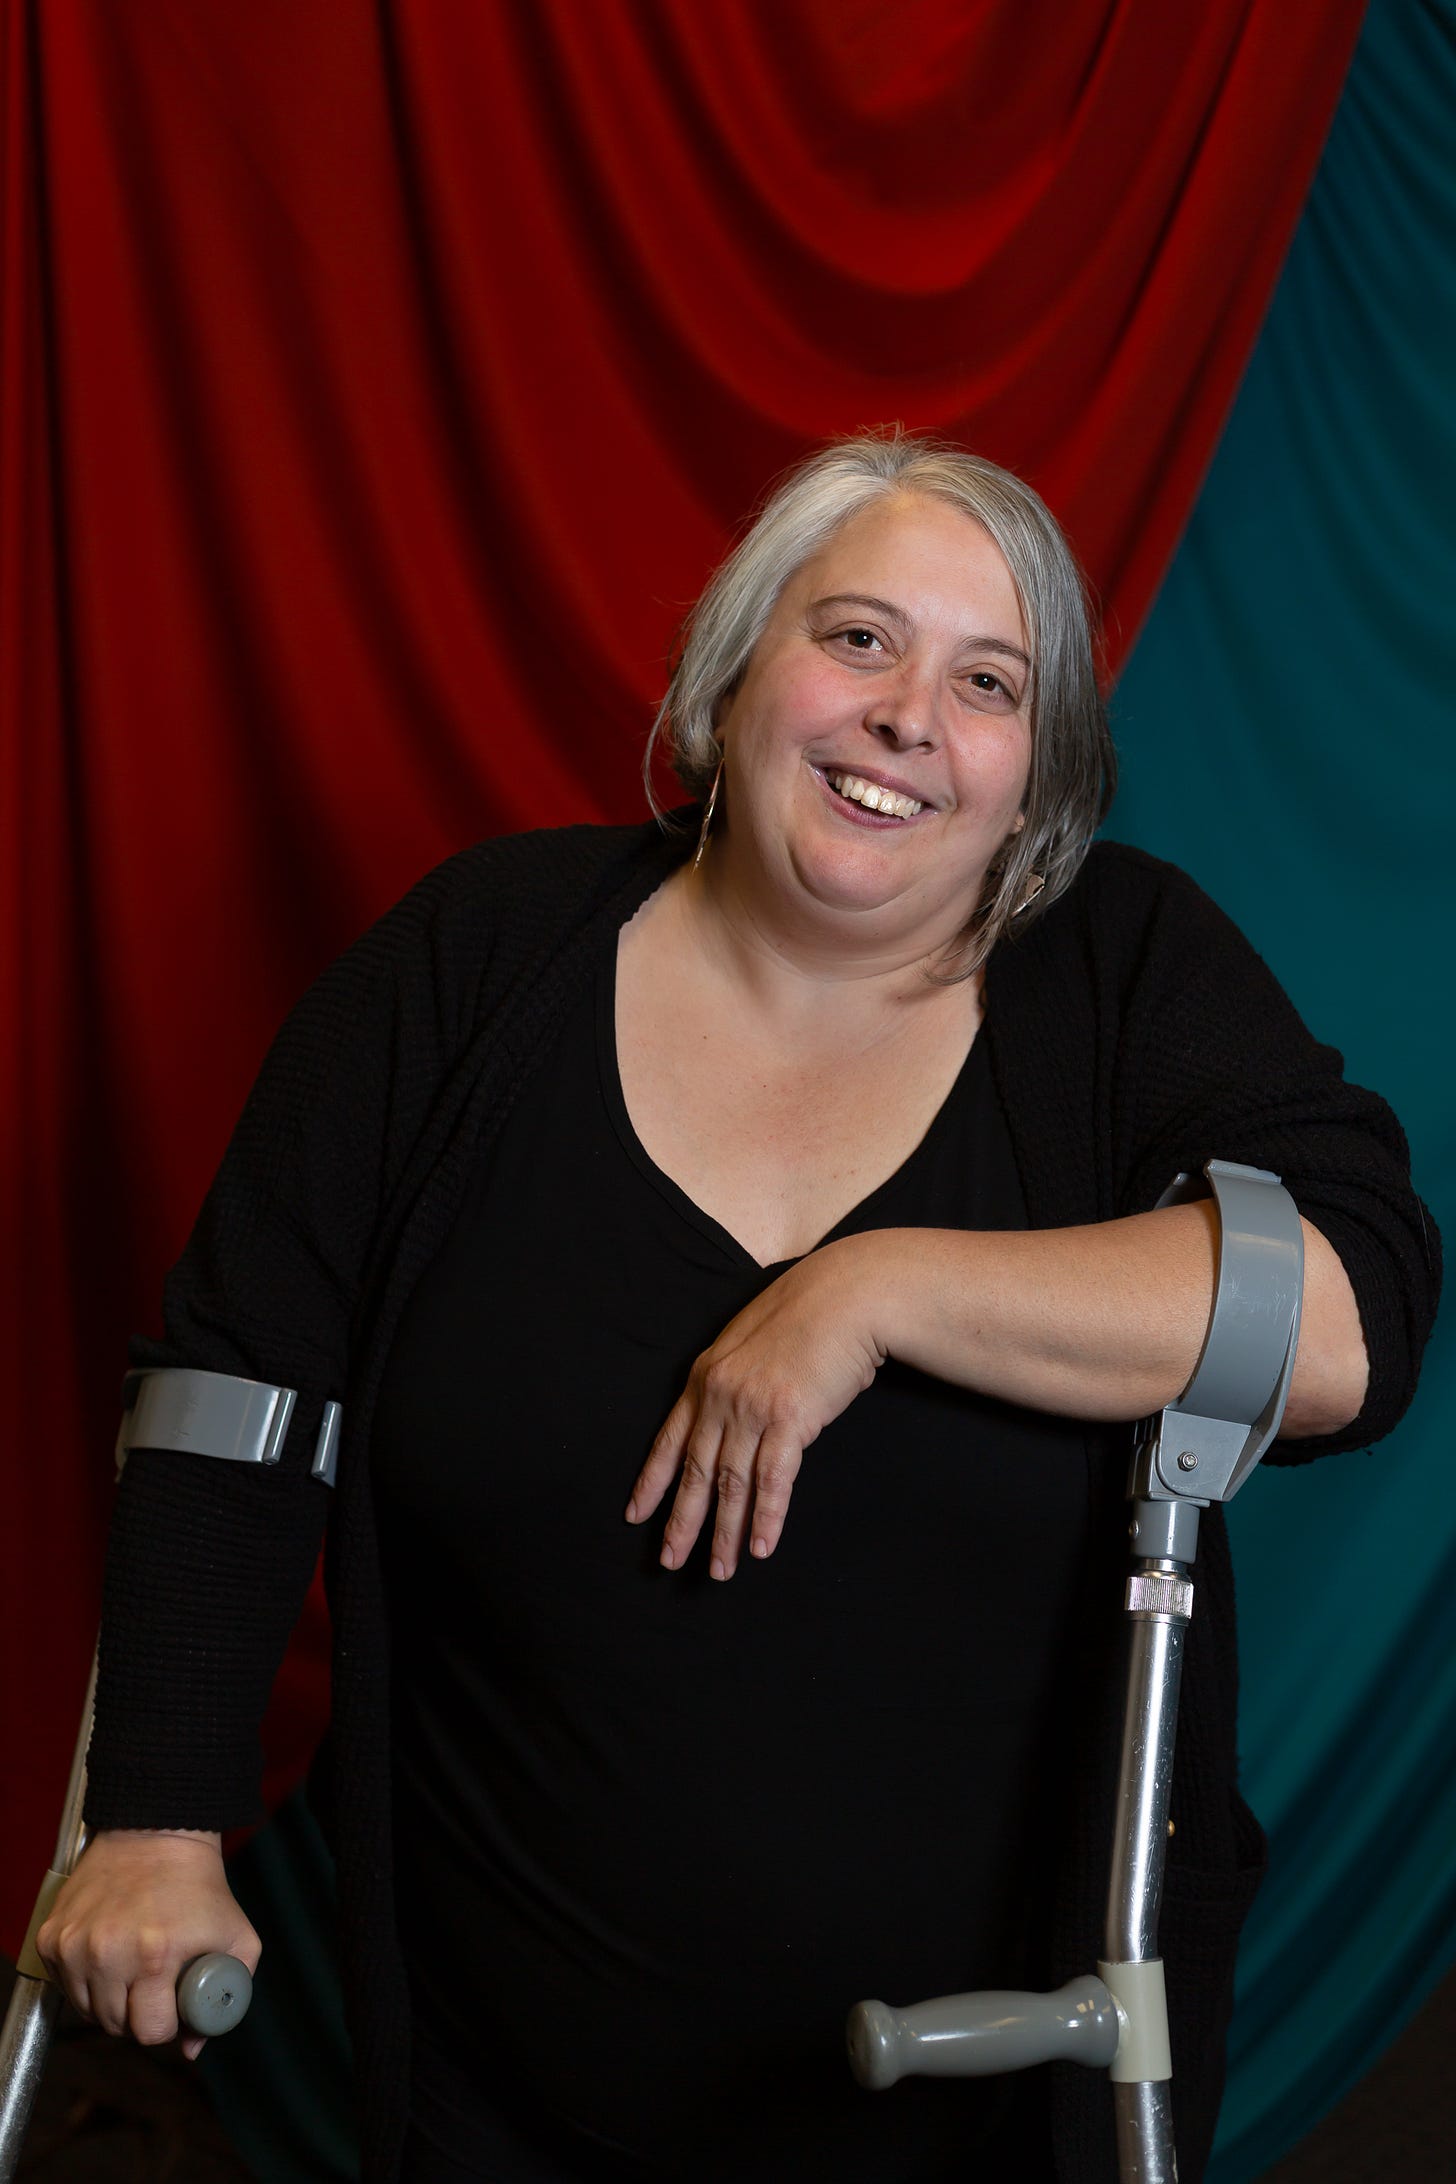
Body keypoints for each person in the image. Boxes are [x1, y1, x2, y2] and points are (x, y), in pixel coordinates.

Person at [39, 433, 1438, 2184]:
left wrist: (882, 1288)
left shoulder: (1123, 975)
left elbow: (1346, 1330)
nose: (909, 713)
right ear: (726, 684)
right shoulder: (475, 963)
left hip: (989, 2086)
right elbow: (231, 1394)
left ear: (1035, 781)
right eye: (856, 640)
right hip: (490, 2076)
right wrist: (158, 1818)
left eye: (985, 681)